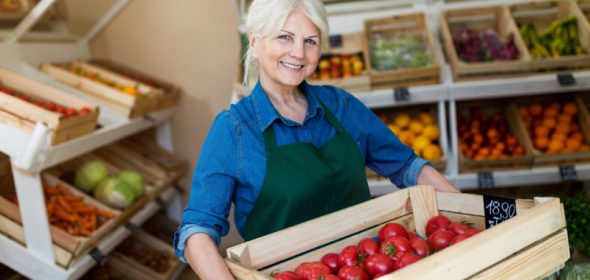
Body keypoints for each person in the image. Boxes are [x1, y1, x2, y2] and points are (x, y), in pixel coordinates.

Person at [174, 0, 459, 278]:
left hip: (364, 267)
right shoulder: (234, 130)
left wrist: (468, 216)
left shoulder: (340, 106)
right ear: (255, 42)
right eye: (285, 37)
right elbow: (197, 229)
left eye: (310, 41)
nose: (298, 53)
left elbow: (407, 166)